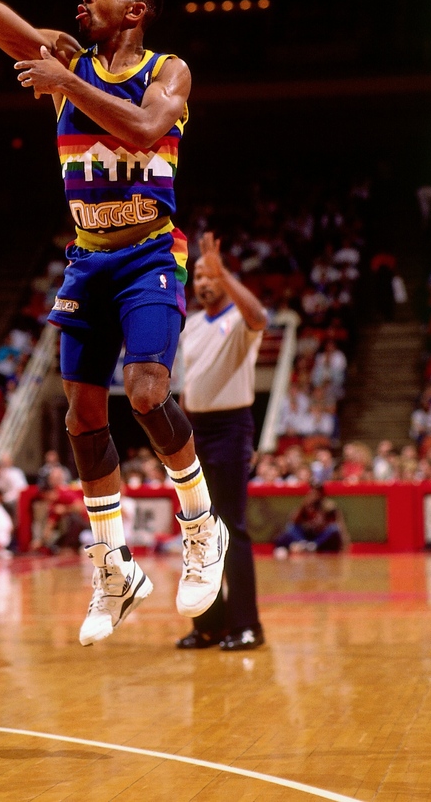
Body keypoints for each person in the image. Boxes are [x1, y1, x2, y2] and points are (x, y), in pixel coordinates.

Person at [0, 0, 228, 646]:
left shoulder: (167, 70)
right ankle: (114, 565)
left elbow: (142, 130)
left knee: (146, 391)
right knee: (81, 415)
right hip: (87, 258)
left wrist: (64, 81)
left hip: (148, 254)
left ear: (134, 9)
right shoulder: (62, 58)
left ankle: (200, 525)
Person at [174, 232, 267, 651]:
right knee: (199, 530)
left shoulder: (240, 321)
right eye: (198, 276)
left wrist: (224, 271)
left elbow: (260, 316)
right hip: (195, 430)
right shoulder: (191, 325)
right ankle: (209, 625)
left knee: (232, 526)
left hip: (231, 427)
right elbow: (188, 383)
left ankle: (247, 625)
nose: (203, 282)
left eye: (209, 275)